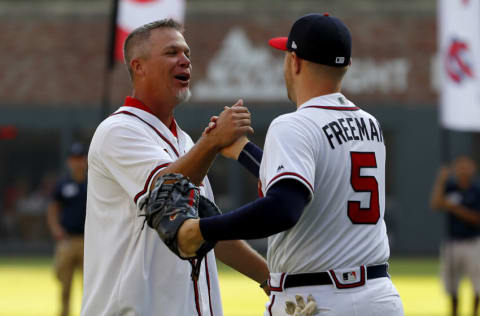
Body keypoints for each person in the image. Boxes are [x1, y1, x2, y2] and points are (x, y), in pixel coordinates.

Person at [178, 13, 404, 315]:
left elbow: (284, 208)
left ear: (294, 61)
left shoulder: (293, 125)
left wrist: (203, 229)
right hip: (379, 297)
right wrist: (244, 152)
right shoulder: (370, 125)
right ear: (346, 66)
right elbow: (312, 187)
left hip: (318, 298)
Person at [81, 19, 269, 316]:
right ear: (139, 66)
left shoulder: (184, 142)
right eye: (171, 52)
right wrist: (212, 143)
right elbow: (163, 191)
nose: (185, 60)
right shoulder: (118, 131)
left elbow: (207, 231)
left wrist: (271, 280)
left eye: (187, 54)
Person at [430, 155, 480, 316]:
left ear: (473, 168)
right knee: (451, 284)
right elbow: (435, 204)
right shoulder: (450, 187)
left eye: (466, 166)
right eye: (460, 166)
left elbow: (476, 218)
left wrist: (454, 208)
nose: (463, 170)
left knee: (477, 283)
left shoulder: (476, 190)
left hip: (472, 243)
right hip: (452, 242)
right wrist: (441, 180)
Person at [47, 142, 88, 316]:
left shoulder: (93, 182)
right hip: (68, 239)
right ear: (69, 161)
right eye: (74, 159)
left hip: (89, 241)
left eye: (80, 159)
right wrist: (56, 229)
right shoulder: (63, 184)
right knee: (64, 284)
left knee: (90, 285)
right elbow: (53, 208)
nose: (77, 163)